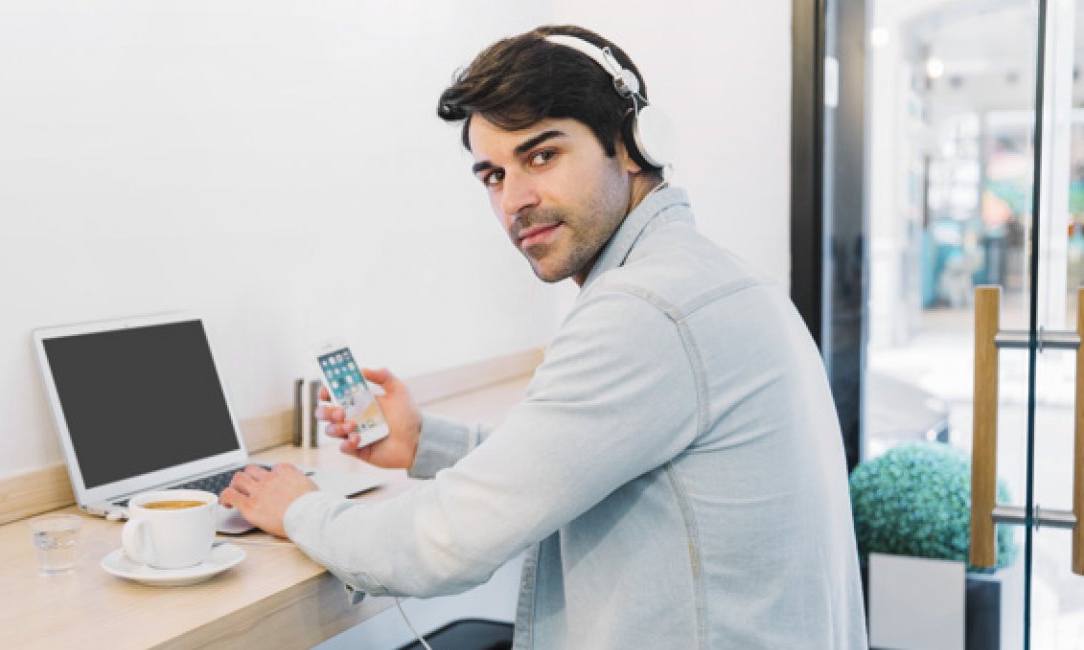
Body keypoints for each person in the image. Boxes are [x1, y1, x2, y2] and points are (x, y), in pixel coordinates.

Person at [221, 24, 868, 649]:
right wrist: (424, 442)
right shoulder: (708, 279)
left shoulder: (643, 311)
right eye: (494, 175)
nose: (514, 200)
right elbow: (569, 454)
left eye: (542, 155)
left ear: (632, 143)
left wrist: (300, 508)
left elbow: (440, 545)